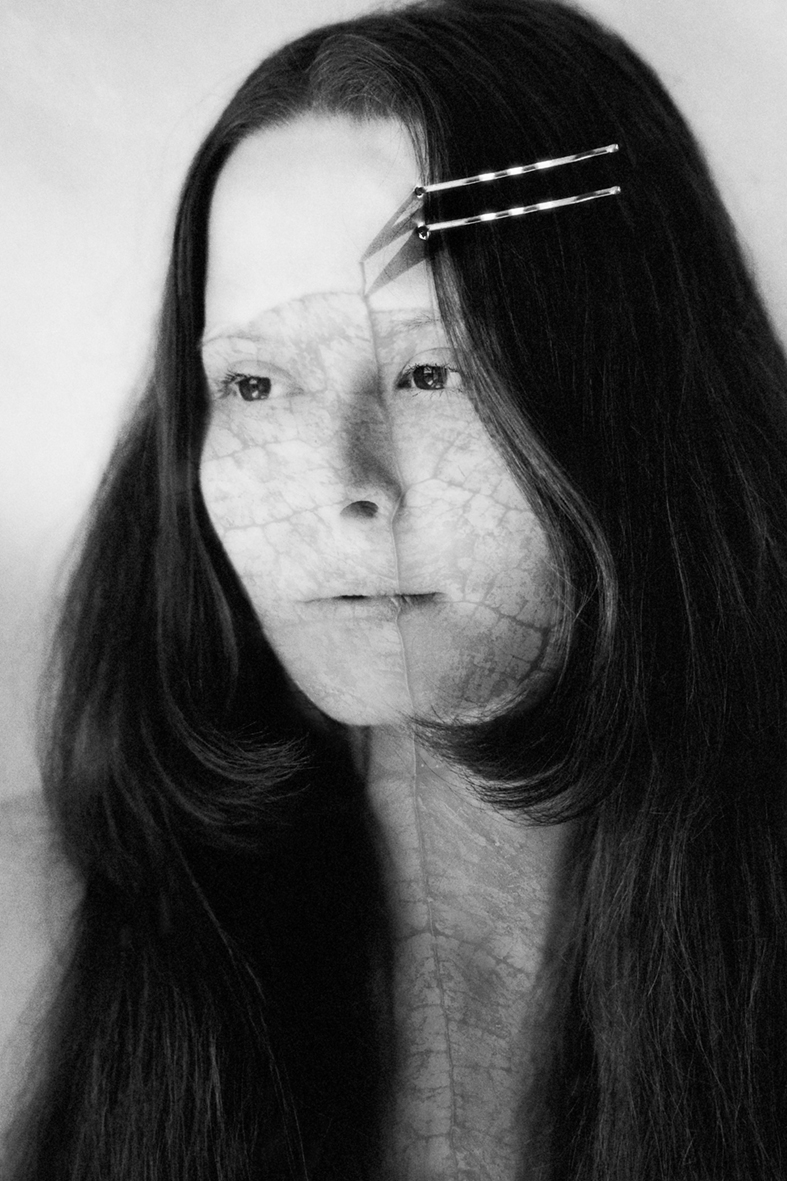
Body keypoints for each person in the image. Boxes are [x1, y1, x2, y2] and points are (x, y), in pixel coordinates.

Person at [3, 0, 787, 1176]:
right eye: (256, 385)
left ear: (642, 394)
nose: (345, 485)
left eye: (432, 371)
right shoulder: (34, 930)